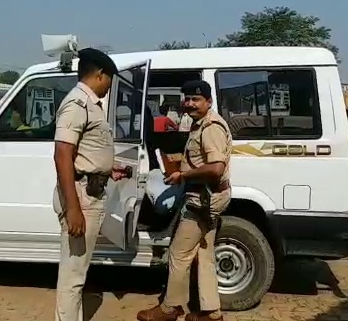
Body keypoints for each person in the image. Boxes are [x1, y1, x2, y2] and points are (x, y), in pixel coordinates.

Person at [137, 80, 233, 321]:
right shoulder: (200, 124)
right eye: (187, 99)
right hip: (208, 196)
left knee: (178, 253)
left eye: (196, 99)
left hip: (202, 199)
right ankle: (212, 313)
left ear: (208, 102)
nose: (190, 104)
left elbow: (216, 168)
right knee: (204, 254)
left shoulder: (211, 127)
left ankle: (170, 308)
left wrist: (183, 174)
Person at [53, 47, 130, 321]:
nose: (110, 86)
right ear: (99, 74)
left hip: (89, 192)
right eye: (110, 79)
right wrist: (73, 208)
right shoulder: (77, 104)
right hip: (81, 198)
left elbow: (86, 151)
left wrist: (109, 169)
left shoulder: (90, 105)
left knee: (78, 273)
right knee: (73, 276)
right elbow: (62, 155)